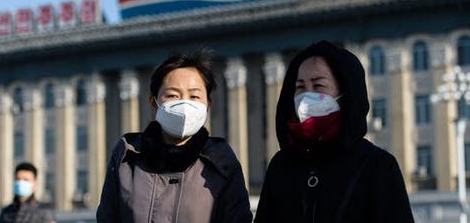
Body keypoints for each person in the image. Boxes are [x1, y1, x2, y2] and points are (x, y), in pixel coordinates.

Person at [255, 40, 415, 222]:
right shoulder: (282, 165)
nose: (307, 96)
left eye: (318, 86)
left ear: (345, 94)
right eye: (300, 87)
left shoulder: (376, 165)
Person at [97, 50, 253, 222]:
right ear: (154, 103)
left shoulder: (222, 163)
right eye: (172, 95)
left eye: (194, 96)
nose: (184, 103)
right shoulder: (127, 158)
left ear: (207, 104)